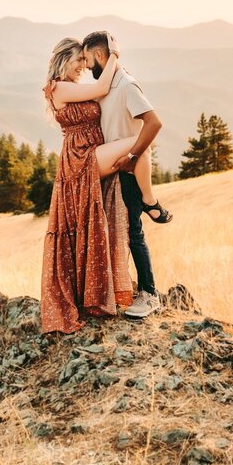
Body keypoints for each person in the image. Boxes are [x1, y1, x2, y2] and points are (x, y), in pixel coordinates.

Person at [39, 36, 156, 333]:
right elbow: (103, 88)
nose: (83, 65)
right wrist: (115, 53)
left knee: (96, 225)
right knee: (140, 142)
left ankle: (96, 292)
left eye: (85, 59)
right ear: (65, 60)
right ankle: (151, 202)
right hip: (82, 156)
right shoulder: (60, 86)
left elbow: (103, 95)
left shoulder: (74, 87)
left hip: (87, 153)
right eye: (79, 59)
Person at [81, 30, 171, 320]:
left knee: (133, 233)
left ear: (99, 56)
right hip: (114, 169)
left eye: (86, 58)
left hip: (128, 170)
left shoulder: (127, 85)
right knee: (120, 234)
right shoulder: (108, 85)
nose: (84, 65)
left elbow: (154, 122)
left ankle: (149, 294)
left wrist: (132, 157)